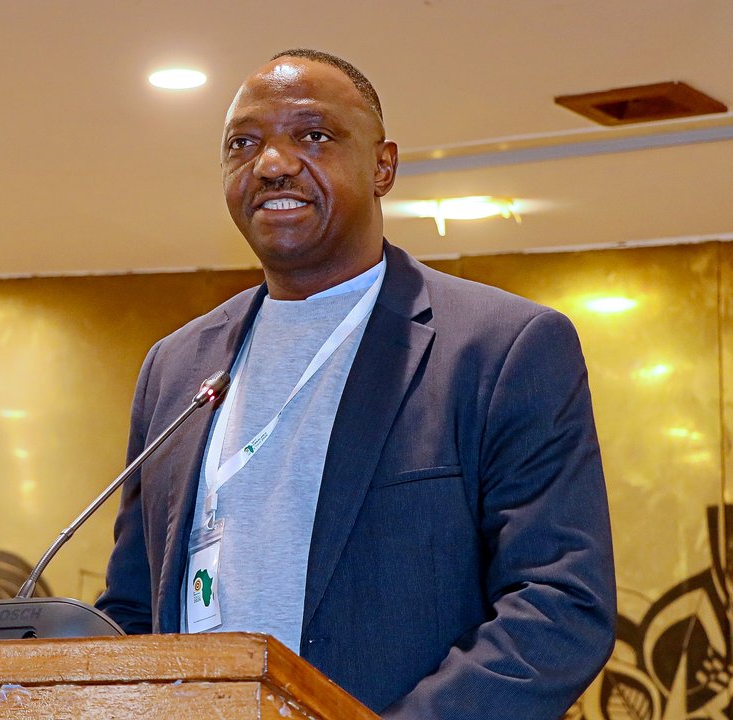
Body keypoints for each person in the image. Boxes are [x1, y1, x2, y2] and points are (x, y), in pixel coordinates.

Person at [96, 49, 616, 719]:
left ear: (383, 166)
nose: (273, 162)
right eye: (243, 144)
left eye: (312, 135)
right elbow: (134, 607)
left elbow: (559, 605)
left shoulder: (501, 348)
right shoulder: (174, 367)